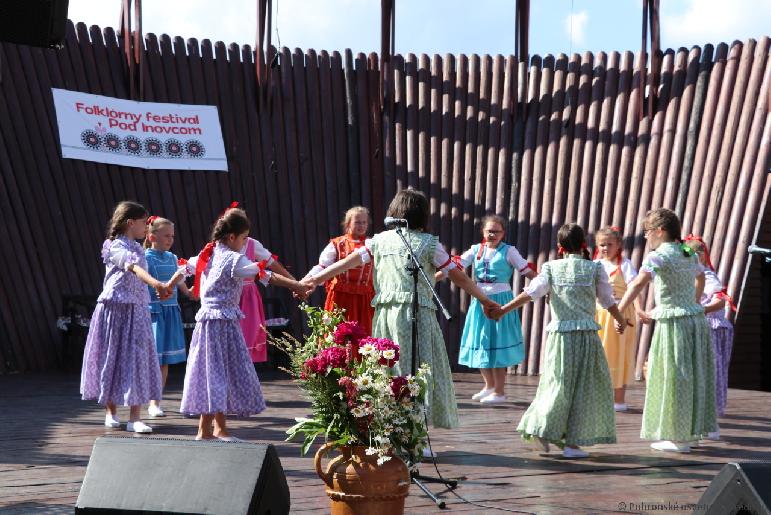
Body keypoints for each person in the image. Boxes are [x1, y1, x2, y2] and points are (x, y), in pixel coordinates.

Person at [301, 189, 498, 429]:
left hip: (388, 316)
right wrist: (485, 300)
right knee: (419, 370)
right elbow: (460, 278)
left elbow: (345, 263)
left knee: (390, 369)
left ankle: (394, 428)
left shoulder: (379, 240)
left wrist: (314, 280)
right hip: (418, 315)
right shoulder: (429, 244)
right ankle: (414, 428)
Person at [490, 223, 624, 458]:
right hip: (586, 338)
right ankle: (571, 444)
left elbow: (531, 293)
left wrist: (503, 309)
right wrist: (620, 319)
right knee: (582, 388)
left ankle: (541, 430)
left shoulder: (551, 268)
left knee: (556, 385)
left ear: (560, 247)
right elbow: (607, 300)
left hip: (561, 338)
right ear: (585, 244)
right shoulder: (595, 269)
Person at [180, 208, 308, 440]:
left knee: (216, 374)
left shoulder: (210, 253)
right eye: (243, 238)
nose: (244, 242)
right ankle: (206, 431)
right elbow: (264, 274)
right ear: (231, 237)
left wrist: (168, 285)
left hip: (209, 324)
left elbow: (184, 269)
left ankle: (215, 429)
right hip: (222, 325)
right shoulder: (233, 258)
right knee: (218, 374)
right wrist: (296, 286)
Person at [616, 208, 717, 453]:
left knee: (674, 375)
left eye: (647, 232)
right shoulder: (686, 251)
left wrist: (617, 310)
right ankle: (691, 433)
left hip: (673, 323)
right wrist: (692, 301)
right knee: (692, 375)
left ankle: (677, 438)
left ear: (660, 231)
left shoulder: (657, 256)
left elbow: (639, 283)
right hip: (693, 319)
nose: (646, 237)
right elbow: (701, 277)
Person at [80, 201, 170, 433]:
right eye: (143, 223)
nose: (145, 228)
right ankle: (110, 411)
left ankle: (135, 417)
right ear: (131, 223)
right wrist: (155, 284)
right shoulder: (114, 246)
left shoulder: (138, 247)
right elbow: (133, 268)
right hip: (115, 309)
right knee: (112, 356)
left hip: (137, 309)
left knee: (137, 359)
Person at [453, 215, 536, 404]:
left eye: (497, 231)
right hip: (479, 300)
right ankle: (489, 386)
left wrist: (544, 285)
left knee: (498, 344)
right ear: (483, 232)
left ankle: (499, 392)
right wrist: (436, 275)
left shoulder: (509, 251)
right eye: (489, 231)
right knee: (481, 341)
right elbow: (455, 267)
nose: (492, 234)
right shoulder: (476, 250)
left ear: (503, 233)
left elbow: (527, 271)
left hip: (501, 301)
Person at [144, 216, 195, 418]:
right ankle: (143, 400)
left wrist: (192, 291)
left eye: (172, 236)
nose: (170, 239)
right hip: (153, 312)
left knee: (163, 360)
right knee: (151, 359)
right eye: (166, 236)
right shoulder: (144, 258)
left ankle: (155, 402)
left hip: (170, 312)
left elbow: (182, 285)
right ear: (151, 236)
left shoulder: (173, 259)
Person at [684, 235, 734, 440]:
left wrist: (699, 310)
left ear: (703, 257)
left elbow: (721, 301)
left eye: (697, 255)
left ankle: (710, 422)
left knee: (711, 373)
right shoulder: (691, 277)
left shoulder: (708, 276)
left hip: (711, 329)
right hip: (700, 328)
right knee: (700, 373)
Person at [593, 225, 648, 412]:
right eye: (602, 244)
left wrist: (640, 310)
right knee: (599, 354)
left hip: (621, 315)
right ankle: (598, 397)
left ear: (618, 245)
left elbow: (635, 288)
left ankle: (618, 400)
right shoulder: (595, 265)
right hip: (599, 314)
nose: (605, 248)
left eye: (609, 244)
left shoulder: (624, 264)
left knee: (619, 354)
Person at [304, 206, 375, 335]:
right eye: (358, 222)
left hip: (364, 299)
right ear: (348, 224)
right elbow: (322, 266)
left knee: (364, 336)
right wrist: (306, 281)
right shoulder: (337, 244)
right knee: (337, 333)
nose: (362, 225)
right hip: (340, 297)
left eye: (364, 222)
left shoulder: (372, 244)